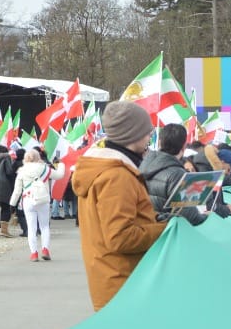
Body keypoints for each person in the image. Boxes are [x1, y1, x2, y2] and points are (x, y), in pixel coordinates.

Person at [73, 100, 180, 311]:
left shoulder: (109, 169)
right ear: (132, 134)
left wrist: (154, 218)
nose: (151, 136)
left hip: (114, 280)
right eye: (147, 132)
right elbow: (121, 237)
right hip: (124, 284)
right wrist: (168, 228)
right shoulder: (116, 175)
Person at [11, 146, 55, 261]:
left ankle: (34, 253)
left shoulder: (21, 171)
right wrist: (63, 165)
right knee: (44, 226)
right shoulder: (45, 168)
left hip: (28, 199)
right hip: (43, 199)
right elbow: (59, 175)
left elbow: (17, 190)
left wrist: (12, 204)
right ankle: (45, 249)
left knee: (31, 227)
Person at [139, 123, 191, 215]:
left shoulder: (143, 164)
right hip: (166, 226)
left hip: (147, 224)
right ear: (184, 146)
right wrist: (207, 216)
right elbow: (188, 214)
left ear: (159, 142)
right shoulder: (178, 174)